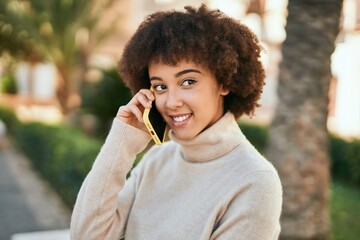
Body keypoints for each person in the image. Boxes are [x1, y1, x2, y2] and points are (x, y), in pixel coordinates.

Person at [70, 4, 282, 240]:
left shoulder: (255, 181)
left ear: (224, 83)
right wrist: (122, 143)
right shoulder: (157, 160)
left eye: (188, 82)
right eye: (160, 86)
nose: (171, 103)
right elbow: (86, 235)